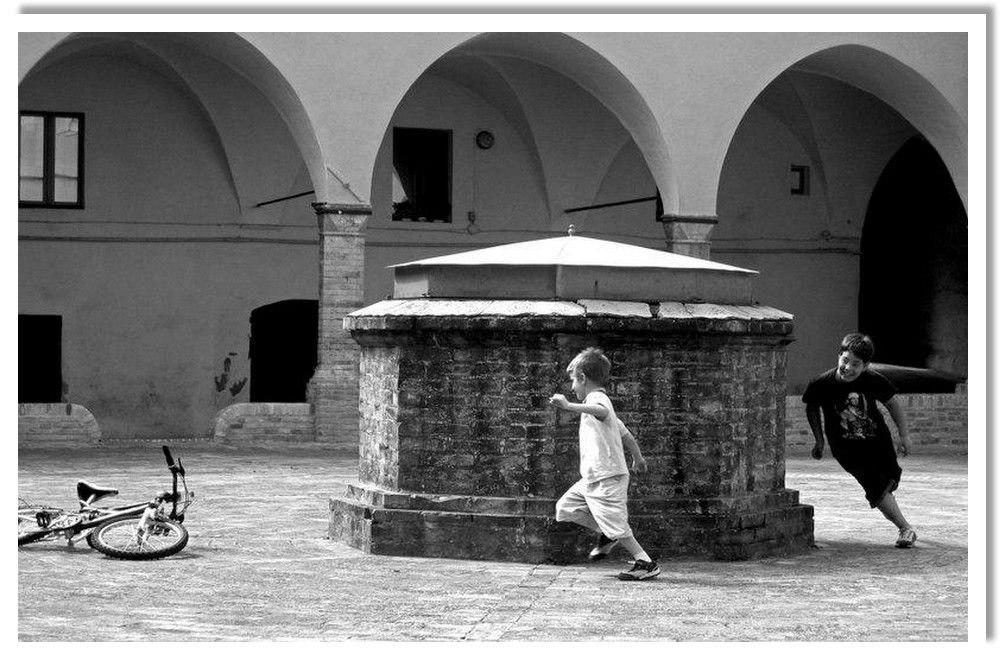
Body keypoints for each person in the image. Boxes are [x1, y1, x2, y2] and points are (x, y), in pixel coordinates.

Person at [548, 346, 660, 580]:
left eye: (573, 381)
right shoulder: (602, 407)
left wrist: (568, 406)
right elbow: (627, 435)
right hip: (592, 478)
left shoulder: (598, 400)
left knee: (617, 525)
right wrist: (638, 458)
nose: (572, 388)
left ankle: (646, 563)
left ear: (582, 378)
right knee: (565, 508)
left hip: (607, 477)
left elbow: (599, 410)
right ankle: (606, 534)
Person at [802, 332, 916, 548]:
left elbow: (893, 404)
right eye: (845, 361)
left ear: (865, 365)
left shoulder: (872, 379)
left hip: (878, 442)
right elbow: (812, 407)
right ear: (839, 356)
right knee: (875, 487)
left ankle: (886, 500)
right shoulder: (821, 383)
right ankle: (905, 528)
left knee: (888, 479)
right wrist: (819, 440)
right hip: (846, 449)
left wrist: (904, 435)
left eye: (856, 364)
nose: (848, 368)